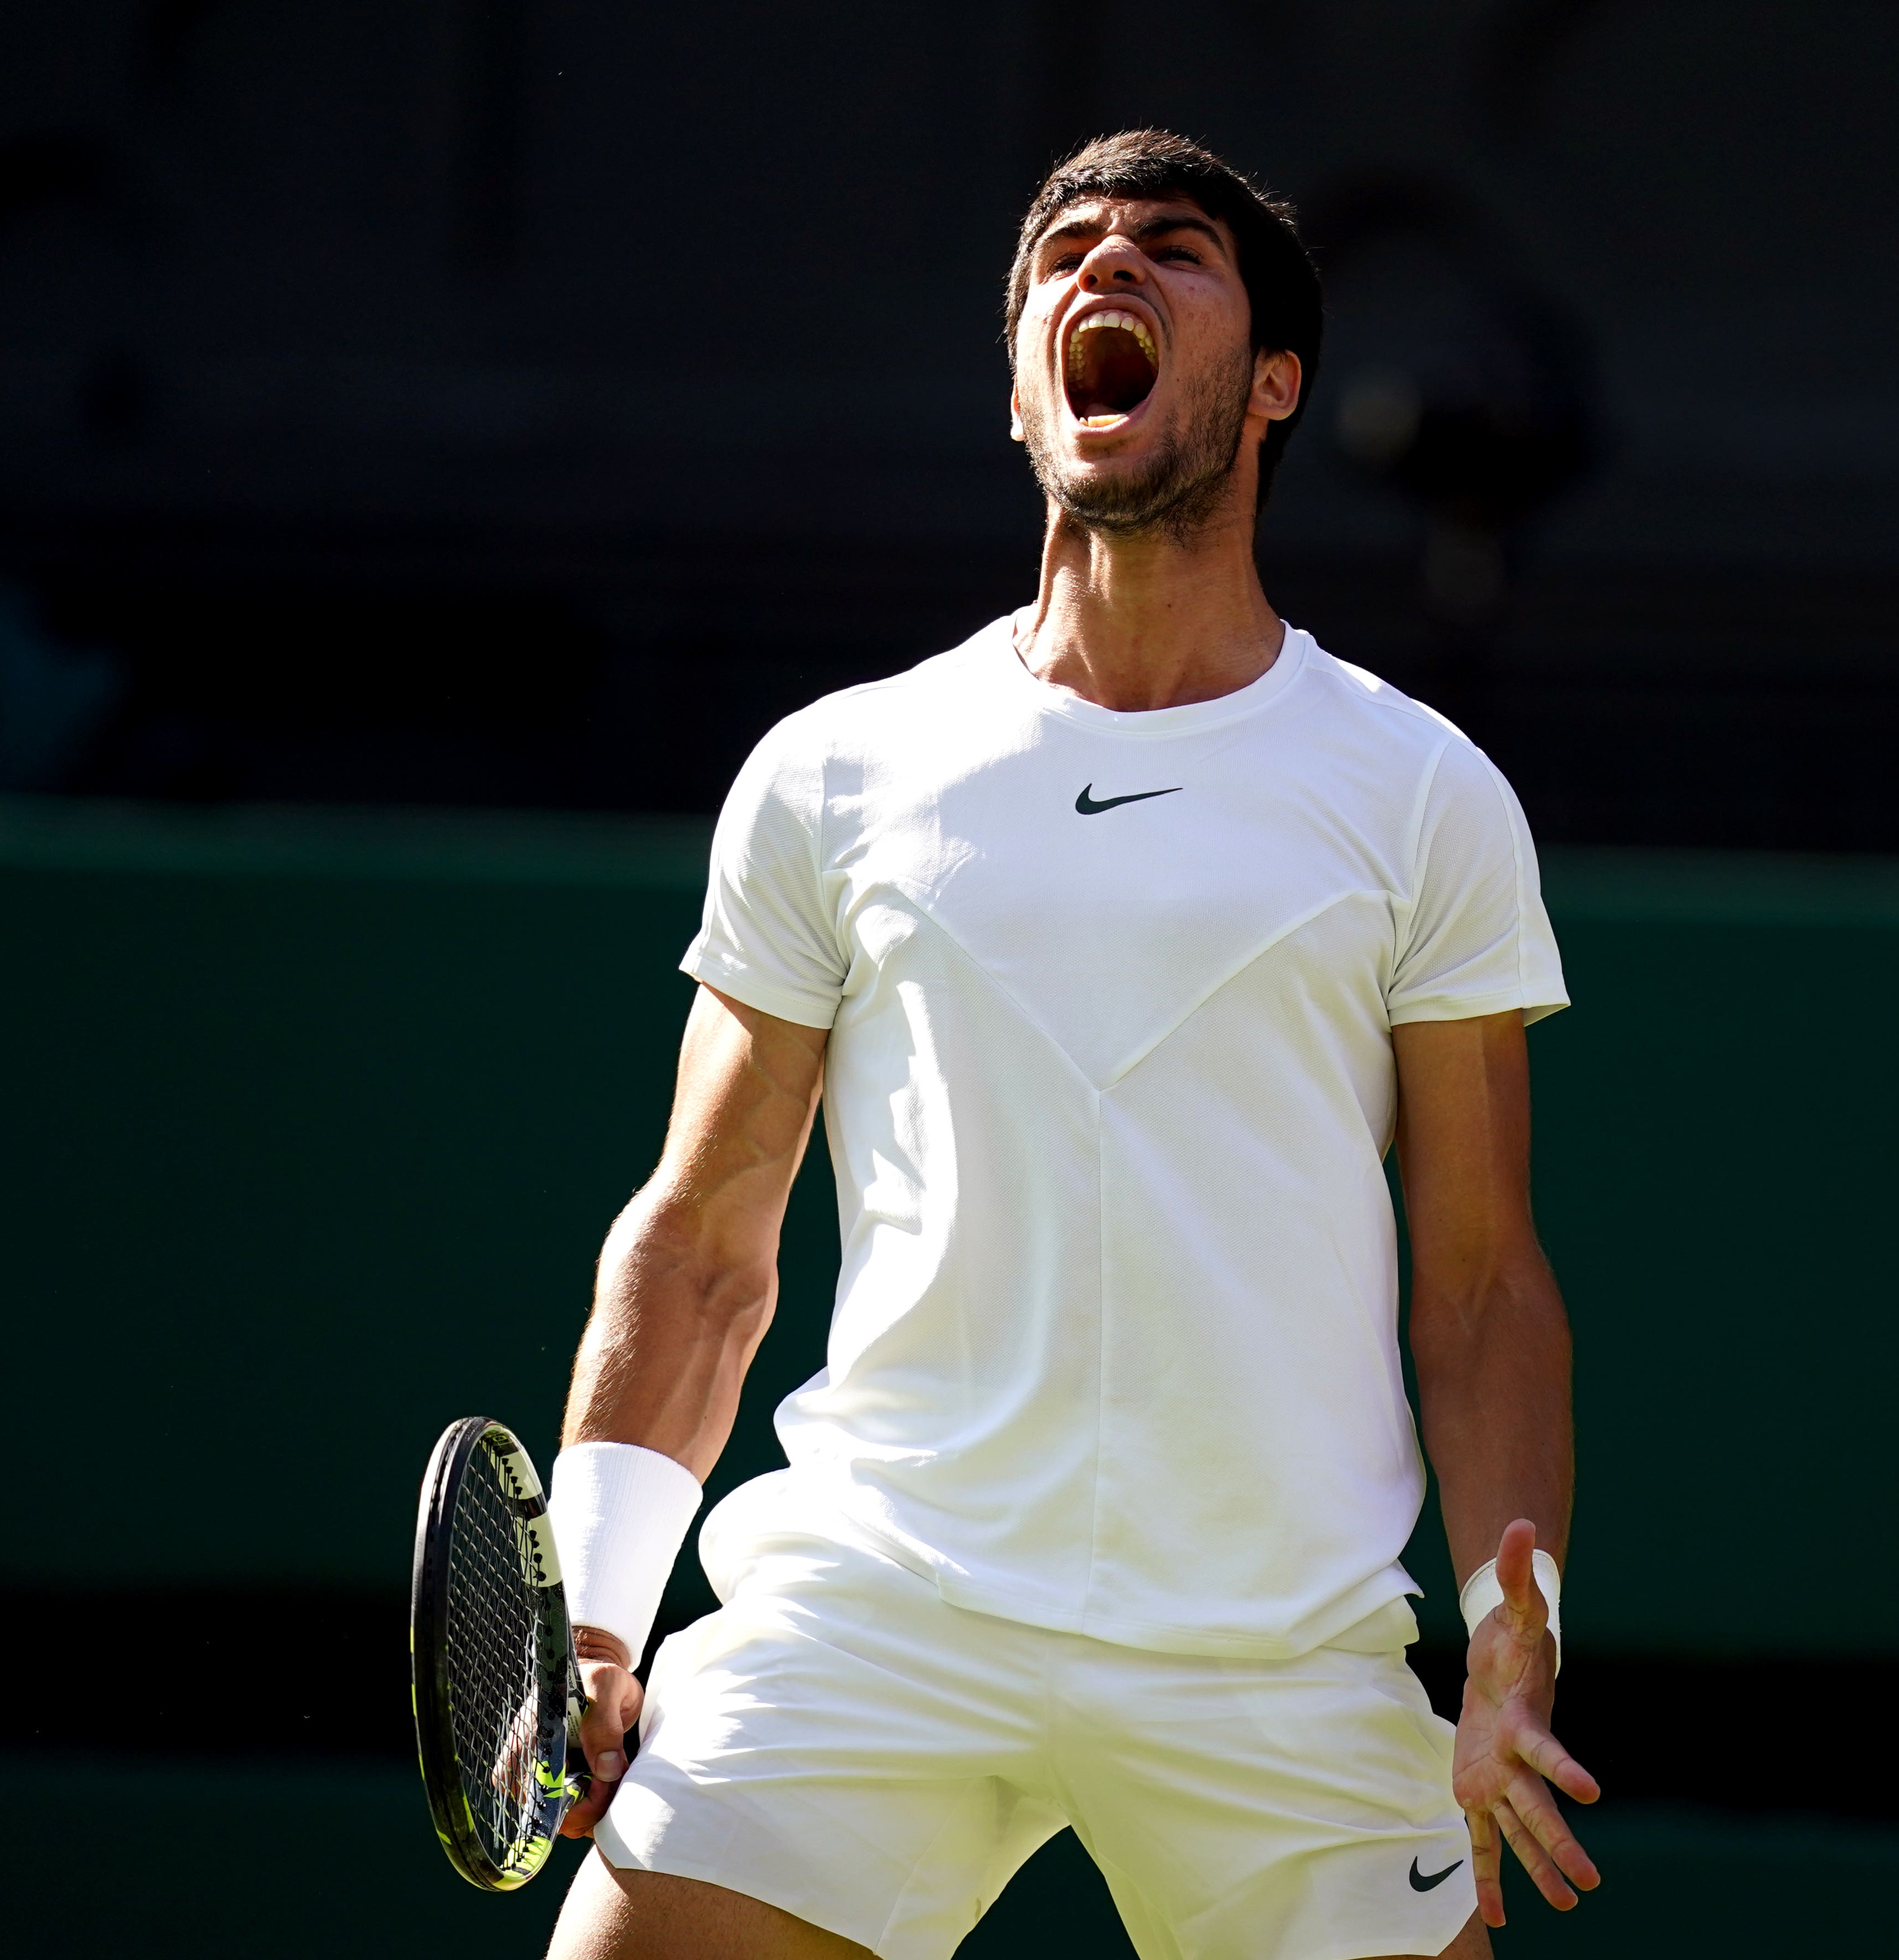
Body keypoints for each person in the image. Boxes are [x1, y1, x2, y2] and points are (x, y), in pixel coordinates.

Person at [540, 130, 1594, 1960]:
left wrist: (1521, 1624)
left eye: (1173, 252)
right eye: (1062, 259)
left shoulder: (1420, 792)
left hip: (1276, 1658)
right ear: (1023, 381)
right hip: (879, 1616)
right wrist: (606, 1601)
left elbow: (1484, 1282)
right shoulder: (829, 772)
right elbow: (702, 1238)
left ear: (1271, 385)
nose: (1103, 273)